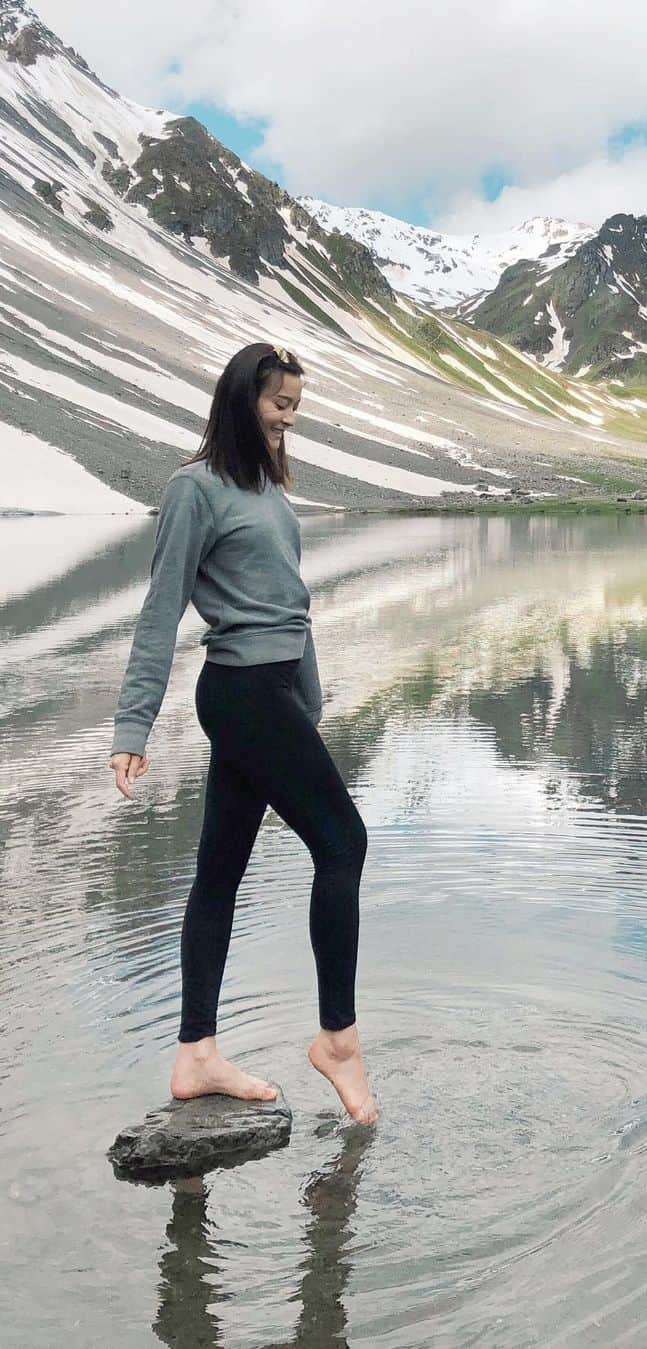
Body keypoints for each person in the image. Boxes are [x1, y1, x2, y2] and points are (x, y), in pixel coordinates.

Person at [107, 342, 377, 1127]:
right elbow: (161, 611)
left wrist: (309, 695)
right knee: (344, 843)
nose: (289, 420)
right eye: (278, 404)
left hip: (273, 695)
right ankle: (338, 1038)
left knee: (219, 870)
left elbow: (291, 601)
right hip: (239, 692)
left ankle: (195, 1054)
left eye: (296, 406)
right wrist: (133, 722)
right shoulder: (194, 490)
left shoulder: (270, 493)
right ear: (240, 400)